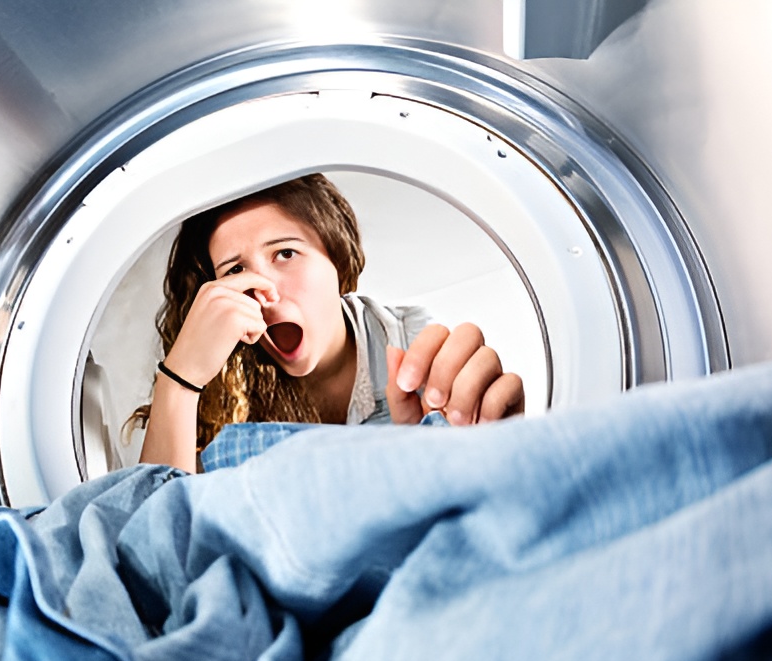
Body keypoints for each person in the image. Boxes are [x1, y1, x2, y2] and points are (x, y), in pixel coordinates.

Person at [131, 173, 524, 472]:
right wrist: (180, 380)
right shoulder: (223, 382)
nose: (263, 290)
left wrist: (500, 448)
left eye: (285, 253)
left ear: (337, 260)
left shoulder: (415, 349)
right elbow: (160, 541)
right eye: (235, 271)